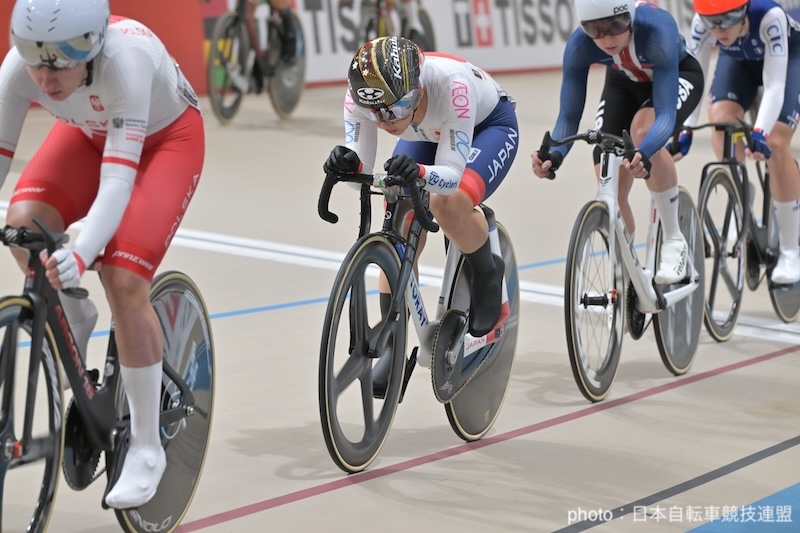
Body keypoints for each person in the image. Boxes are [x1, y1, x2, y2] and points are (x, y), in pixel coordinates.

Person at [1, 0, 204, 509]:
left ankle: (147, 447)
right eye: (36, 62)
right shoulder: (21, 66)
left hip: (165, 142)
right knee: (24, 227)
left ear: (92, 48)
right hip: (88, 133)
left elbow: (117, 183)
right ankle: (74, 312)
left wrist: (82, 252)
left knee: (123, 278)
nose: (45, 80)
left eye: (61, 63)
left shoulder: (124, 61)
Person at [323, 36, 518, 372]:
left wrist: (422, 172)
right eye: (375, 113)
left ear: (419, 90)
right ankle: (391, 339)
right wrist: (348, 163)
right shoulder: (364, 95)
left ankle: (487, 272)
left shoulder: (452, 86)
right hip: (425, 132)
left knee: (447, 205)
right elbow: (361, 173)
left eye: (394, 109)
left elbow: (450, 177)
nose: (385, 121)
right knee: (396, 212)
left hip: (486, 127)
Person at [531, 0, 704, 285]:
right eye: (595, 29)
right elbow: (568, 116)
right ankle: (628, 271)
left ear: (630, 18)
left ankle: (675, 239)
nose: (607, 38)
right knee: (606, 162)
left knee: (642, 133)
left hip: (677, 74)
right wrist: (554, 154)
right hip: (624, 81)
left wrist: (645, 151)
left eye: (616, 25)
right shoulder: (579, 45)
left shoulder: (657, 29)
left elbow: (664, 116)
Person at [680, 0, 800, 284]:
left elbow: (775, 86)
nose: (720, 29)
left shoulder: (769, 16)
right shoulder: (703, 24)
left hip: (790, 60)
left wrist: (759, 133)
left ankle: (791, 251)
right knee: (721, 122)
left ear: (744, 10)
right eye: (712, 21)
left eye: (728, 18)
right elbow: (693, 79)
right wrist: (685, 128)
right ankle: (741, 192)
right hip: (739, 62)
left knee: (776, 142)